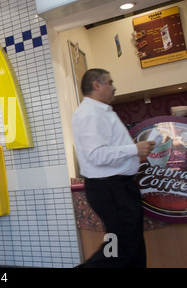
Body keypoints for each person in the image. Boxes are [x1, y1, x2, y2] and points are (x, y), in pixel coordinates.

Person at [72, 69, 155, 268]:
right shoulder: (91, 114)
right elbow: (97, 155)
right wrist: (134, 149)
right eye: (110, 82)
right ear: (96, 85)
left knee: (132, 248)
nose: (114, 86)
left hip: (116, 188)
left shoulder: (100, 111)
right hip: (111, 189)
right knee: (121, 249)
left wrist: (133, 157)